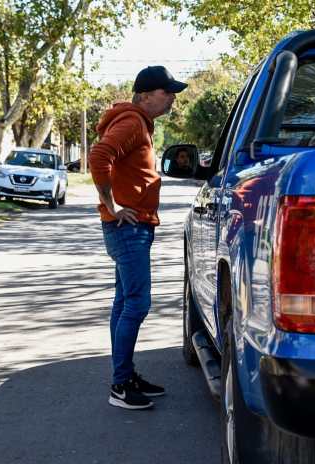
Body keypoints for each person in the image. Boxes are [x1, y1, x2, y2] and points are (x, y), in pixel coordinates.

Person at [88, 66, 187, 410]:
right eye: (167, 92)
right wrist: (111, 205)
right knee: (137, 303)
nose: (172, 97)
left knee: (124, 302)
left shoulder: (137, 123)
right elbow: (99, 156)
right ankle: (120, 386)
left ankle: (125, 375)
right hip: (127, 226)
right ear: (146, 95)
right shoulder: (131, 122)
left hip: (133, 225)